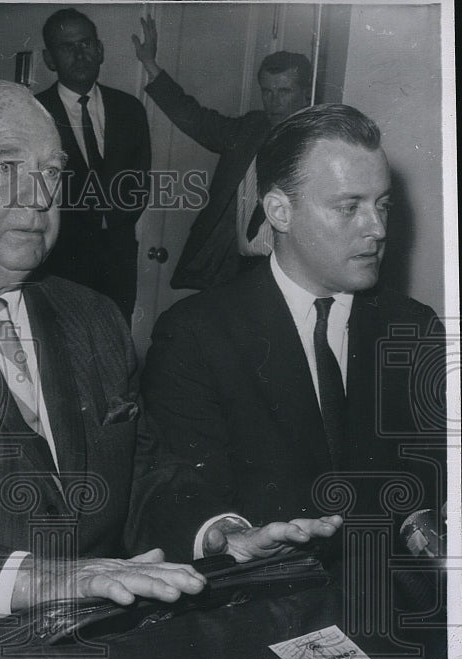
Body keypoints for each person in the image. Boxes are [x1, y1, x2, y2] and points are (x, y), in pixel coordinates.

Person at [0, 77, 312, 628]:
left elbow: (139, 472)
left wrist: (216, 532)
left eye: (51, 173)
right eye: (7, 168)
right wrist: (34, 580)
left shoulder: (95, 318)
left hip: (109, 638)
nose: (39, 198)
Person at [139, 104, 445, 563]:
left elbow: (434, 473)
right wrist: (229, 534)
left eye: (382, 205)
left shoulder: (413, 327)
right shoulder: (195, 334)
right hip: (265, 594)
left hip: (390, 592)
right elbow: (180, 489)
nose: (377, 229)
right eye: (349, 207)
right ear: (279, 211)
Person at [132, 15, 311, 290]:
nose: (273, 101)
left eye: (284, 91)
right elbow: (196, 118)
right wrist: (149, 64)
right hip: (235, 266)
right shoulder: (250, 128)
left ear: (305, 93)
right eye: (267, 91)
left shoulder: (320, 142)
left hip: (290, 271)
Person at [36, 8, 151, 323]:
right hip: (58, 264)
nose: (79, 53)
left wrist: (114, 225)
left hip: (118, 262)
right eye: (66, 47)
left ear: (99, 50)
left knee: (115, 352)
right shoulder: (34, 113)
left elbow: (139, 183)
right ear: (49, 59)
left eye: (85, 44)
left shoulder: (129, 110)